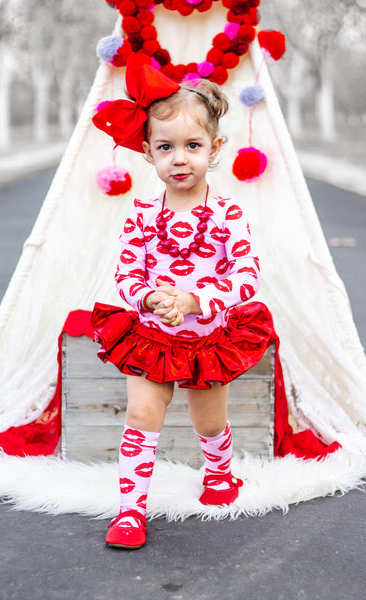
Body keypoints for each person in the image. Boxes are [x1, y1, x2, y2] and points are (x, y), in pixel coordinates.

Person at [92, 54, 261, 549]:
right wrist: (148, 297)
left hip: (208, 338)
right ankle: (130, 510)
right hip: (152, 337)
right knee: (142, 415)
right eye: (166, 147)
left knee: (208, 419)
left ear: (215, 148)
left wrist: (194, 300)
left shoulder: (228, 216)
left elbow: (246, 278)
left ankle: (219, 474)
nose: (179, 158)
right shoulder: (142, 216)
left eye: (192, 145)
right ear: (148, 153)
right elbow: (126, 273)